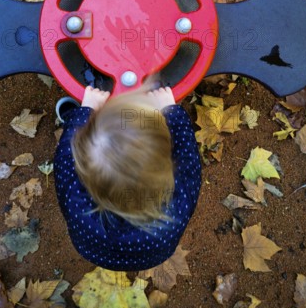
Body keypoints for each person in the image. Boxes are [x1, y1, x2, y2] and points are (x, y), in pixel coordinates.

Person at [54, 83, 201, 271]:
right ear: (165, 166)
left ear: (88, 178)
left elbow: (65, 157)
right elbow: (189, 158)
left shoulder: (77, 205)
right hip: (152, 256)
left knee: (77, 138)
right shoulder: (176, 210)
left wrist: (84, 112)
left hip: (95, 252)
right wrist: (171, 111)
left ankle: (74, 117)